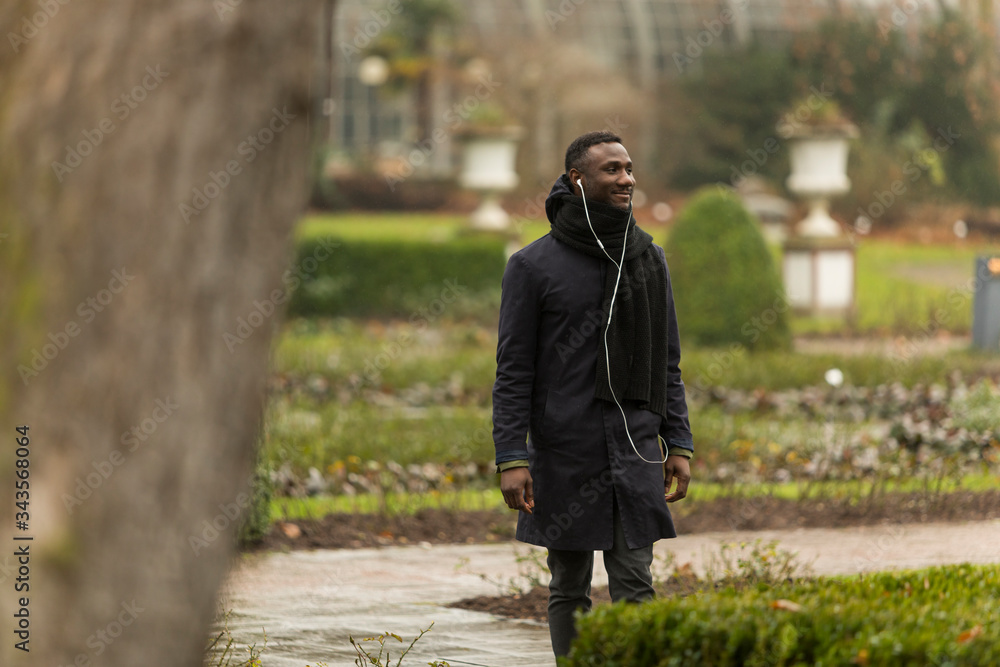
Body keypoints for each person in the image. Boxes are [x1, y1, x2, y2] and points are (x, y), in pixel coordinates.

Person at [491, 130, 693, 659]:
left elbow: (666, 363)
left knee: (636, 583)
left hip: (636, 450)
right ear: (578, 179)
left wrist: (680, 444)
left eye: (628, 168)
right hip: (565, 451)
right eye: (611, 170)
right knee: (569, 586)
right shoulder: (532, 267)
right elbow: (513, 371)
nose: (626, 179)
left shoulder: (650, 260)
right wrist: (512, 457)